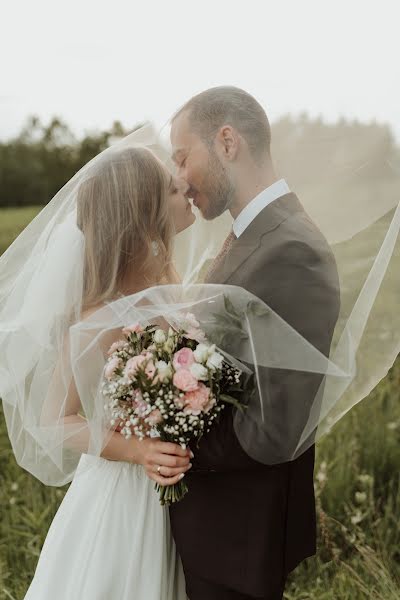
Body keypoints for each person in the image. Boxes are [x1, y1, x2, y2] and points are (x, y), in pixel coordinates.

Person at [169, 86, 341, 600]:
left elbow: (274, 429)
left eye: (183, 157)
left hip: (237, 539)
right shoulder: (251, 233)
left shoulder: (291, 249)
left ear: (226, 142)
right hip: (214, 529)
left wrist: (170, 439)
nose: (179, 178)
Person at [11, 143, 195, 599]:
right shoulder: (97, 319)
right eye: (173, 188)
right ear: (144, 214)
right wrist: (137, 451)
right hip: (128, 497)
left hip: (185, 487)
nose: (185, 187)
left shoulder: (171, 287)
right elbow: (53, 420)